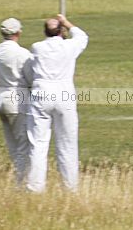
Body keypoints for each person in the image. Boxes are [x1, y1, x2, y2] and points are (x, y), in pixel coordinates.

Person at [24, 13, 89, 193]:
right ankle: (70, 187)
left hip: (41, 94)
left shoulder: (37, 47)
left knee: (38, 143)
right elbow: (83, 36)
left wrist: (61, 27)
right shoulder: (69, 46)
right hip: (64, 94)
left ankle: (35, 187)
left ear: (45, 32)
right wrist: (66, 22)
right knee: (67, 143)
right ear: (61, 31)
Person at [0, 17, 32, 187]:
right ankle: (22, 184)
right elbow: (30, 78)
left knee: (13, 145)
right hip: (17, 100)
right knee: (24, 145)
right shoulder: (22, 53)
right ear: (18, 33)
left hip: (1, 98)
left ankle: (19, 178)